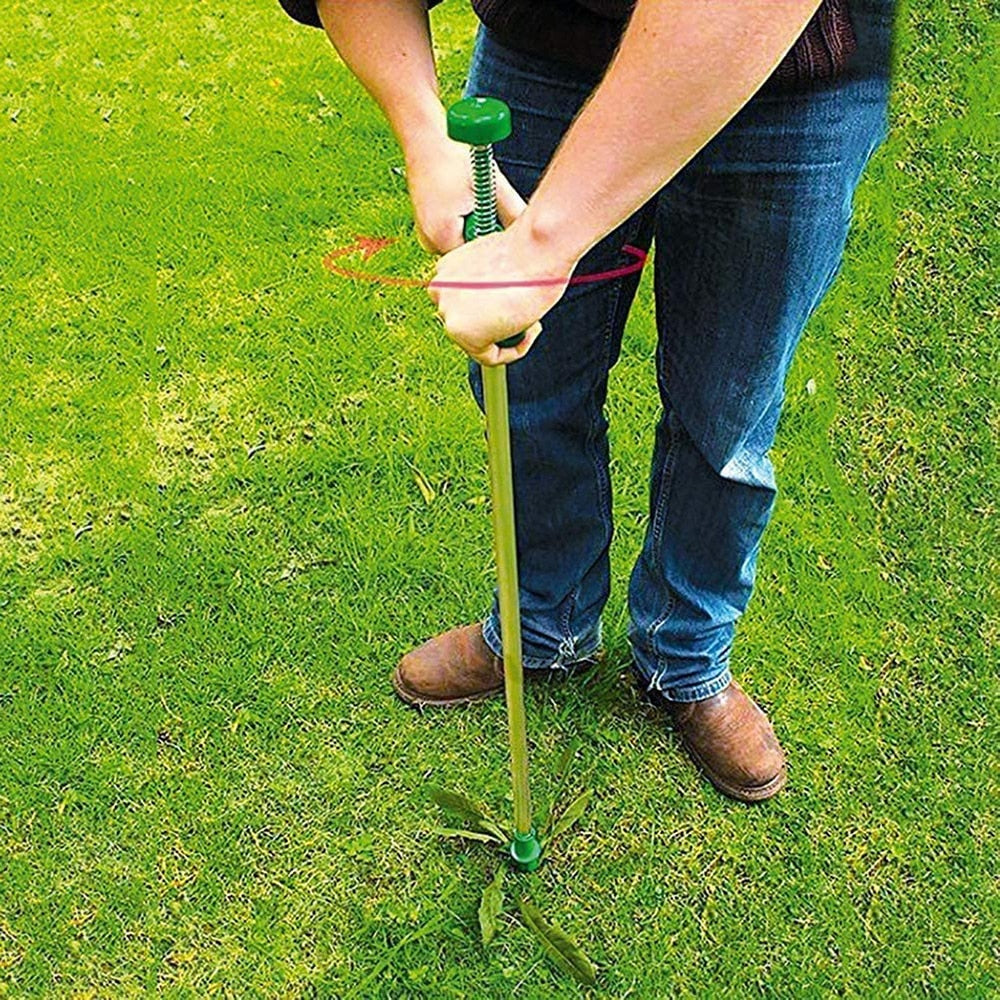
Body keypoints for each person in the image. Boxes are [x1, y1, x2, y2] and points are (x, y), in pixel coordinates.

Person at [278, 0, 894, 802]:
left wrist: (543, 243)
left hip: (788, 81)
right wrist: (424, 128)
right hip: (547, 52)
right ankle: (545, 627)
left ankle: (686, 656)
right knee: (528, 391)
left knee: (727, 416)